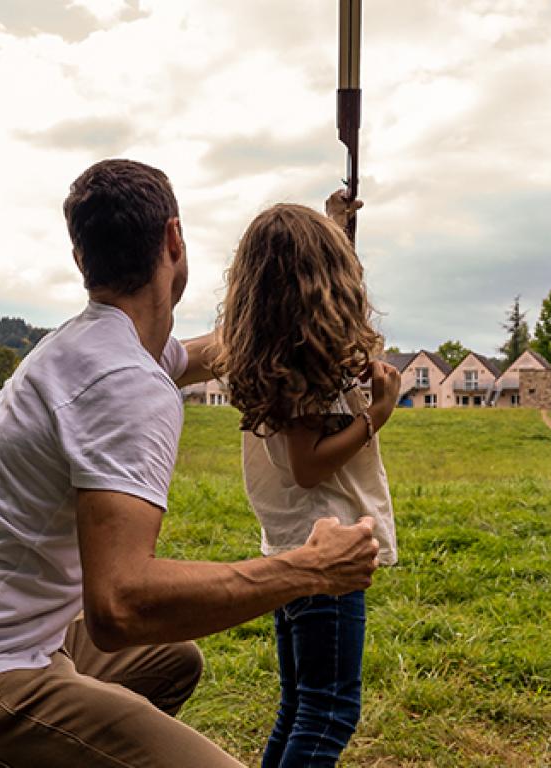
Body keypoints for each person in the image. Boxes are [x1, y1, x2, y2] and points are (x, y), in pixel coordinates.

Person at [0, 159, 380, 768]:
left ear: (81, 259)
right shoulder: (124, 381)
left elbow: (216, 350)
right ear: (174, 239)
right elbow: (122, 606)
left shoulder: (96, 343)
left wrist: (307, 265)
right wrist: (309, 569)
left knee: (171, 661)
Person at [213, 202, 402, 767]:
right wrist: (377, 414)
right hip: (329, 550)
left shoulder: (280, 346)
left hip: (294, 543)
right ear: (325, 279)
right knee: (327, 714)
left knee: (300, 706)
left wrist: (338, 227)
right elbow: (309, 465)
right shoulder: (307, 357)